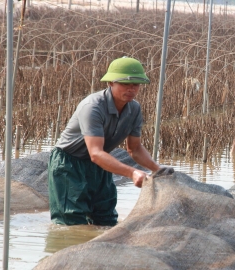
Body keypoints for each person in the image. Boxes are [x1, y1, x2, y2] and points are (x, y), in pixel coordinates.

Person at [48, 56, 162, 226]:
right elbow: (95, 153)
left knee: (106, 217)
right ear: (110, 83)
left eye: (136, 85)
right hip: (70, 164)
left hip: (100, 165)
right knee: (72, 220)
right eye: (125, 84)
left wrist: (158, 169)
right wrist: (132, 172)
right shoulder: (93, 107)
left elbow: (135, 149)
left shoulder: (134, 109)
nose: (131, 89)